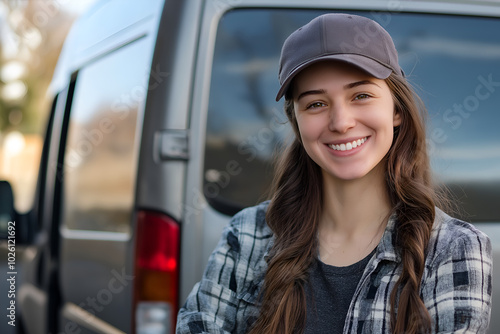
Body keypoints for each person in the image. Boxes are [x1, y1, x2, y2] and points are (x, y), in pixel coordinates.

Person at [176, 13, 492, 334]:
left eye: (361, 96)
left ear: (396, 109)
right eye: (315, 104)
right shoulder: (246, 236)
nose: (340, 122)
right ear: (296, 121)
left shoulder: (454, 250)